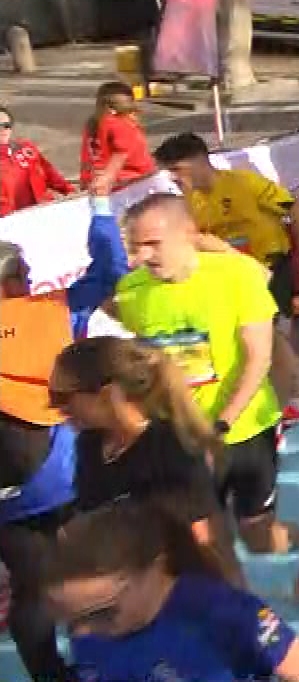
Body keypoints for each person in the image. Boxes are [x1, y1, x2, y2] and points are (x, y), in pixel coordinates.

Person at [111, 194, 299, 601]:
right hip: (181, 437)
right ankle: (249, 629)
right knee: (210, 540)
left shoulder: (234, 277)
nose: (142, 256)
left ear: (188, 234)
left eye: (153, 244)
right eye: (134, 246)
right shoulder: (130, 292)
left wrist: (220, 424)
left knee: (258, 537)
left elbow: (258, 358)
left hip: (245, 428)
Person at [0, 187, 126, 682]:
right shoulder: (50, 313)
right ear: (14, 280)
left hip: (6, 498)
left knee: (31, 591)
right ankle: (109, 663)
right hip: (61, 478)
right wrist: (99, 209)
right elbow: (112, 270)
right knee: (90, 574)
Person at [50, 501, 299, 682]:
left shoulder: (226, 612)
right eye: (73, 620)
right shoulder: (92, 637)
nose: (83, 633)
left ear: (153, 570)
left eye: (103, 612)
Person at [154, 131, 299, 424]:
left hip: (269, 269)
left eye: (176, 171)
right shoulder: (189, 203)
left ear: (197, 163)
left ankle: (286, 406)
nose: (174, 180)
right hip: (231, 278)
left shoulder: (243, 183)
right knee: (252, 344)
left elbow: (297, 210)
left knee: (270, 339)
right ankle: (297, 398)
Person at [49, 337, 233, 580]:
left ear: (107, 394)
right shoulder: (90, 445)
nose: (57, 409)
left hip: (172, 589)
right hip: (123, 589)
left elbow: (201, 540)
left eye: (62, 398)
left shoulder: (172, 446)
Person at [78, 82, 155, 192]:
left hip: (98, 182)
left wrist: (85, 181)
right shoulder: (120, 124)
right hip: (130, 184)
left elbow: (86, 158)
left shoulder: (93, 124)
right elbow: (122, 154)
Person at [0, 109, 73, 216]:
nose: (3, 130)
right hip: (9, 221)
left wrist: (68, 190)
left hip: (40, 214)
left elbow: (49, 172)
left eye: (6, 125)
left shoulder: (26, 148)